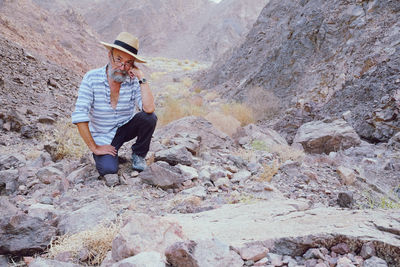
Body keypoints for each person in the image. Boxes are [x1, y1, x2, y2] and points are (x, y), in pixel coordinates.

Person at [71, 32, 157, 175]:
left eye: (128, 62)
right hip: (102, 135)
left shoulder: (133, 80)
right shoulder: (91, 78)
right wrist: (95, 147)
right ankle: (105, 155)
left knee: (149, 118)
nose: (122, 67)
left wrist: (141, 77)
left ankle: (138, 155)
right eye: (118, 59)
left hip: (124, 129)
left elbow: (149, 109)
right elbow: (80, 115)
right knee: (108, 170)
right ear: (109, 55)